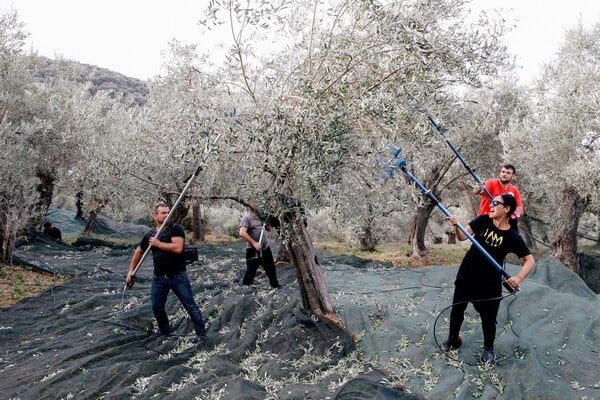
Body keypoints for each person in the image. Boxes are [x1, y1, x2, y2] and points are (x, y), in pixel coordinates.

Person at [442, 194, 535, 365]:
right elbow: (463, 237)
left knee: (488, 318)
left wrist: (518, 277)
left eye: (495, 203)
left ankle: (488, 350)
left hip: (489, 283)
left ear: (506, 209)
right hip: (467, 274)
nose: (491, 205)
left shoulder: (512, 236)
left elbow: (530, 259)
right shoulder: (483, 220)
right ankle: (453, 339)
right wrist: (457, 227)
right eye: (491, 202)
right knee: (457, 309)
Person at [126, 203, 207, 344]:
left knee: (190, 306)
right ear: (155, 215)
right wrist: (130, 272)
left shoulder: (176, 229)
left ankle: (202, 336)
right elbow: (139, 252)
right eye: (163, 213)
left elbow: (177, 248)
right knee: (157, 307)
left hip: (178, 277)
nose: (166, 215)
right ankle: (165, 331)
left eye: (168, 212)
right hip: (159, 278)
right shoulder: (150, 235)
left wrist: (158, 244)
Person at [239, 207, 281, 289]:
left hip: (265, 248)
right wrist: (254, 243)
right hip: (253, 250)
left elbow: (268, 229)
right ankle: (244, 290)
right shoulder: (247, 217)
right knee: (250, 272)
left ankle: (276, 287)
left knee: (271, 270)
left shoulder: (261, 216)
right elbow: (242, 233)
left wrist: (267, 223)